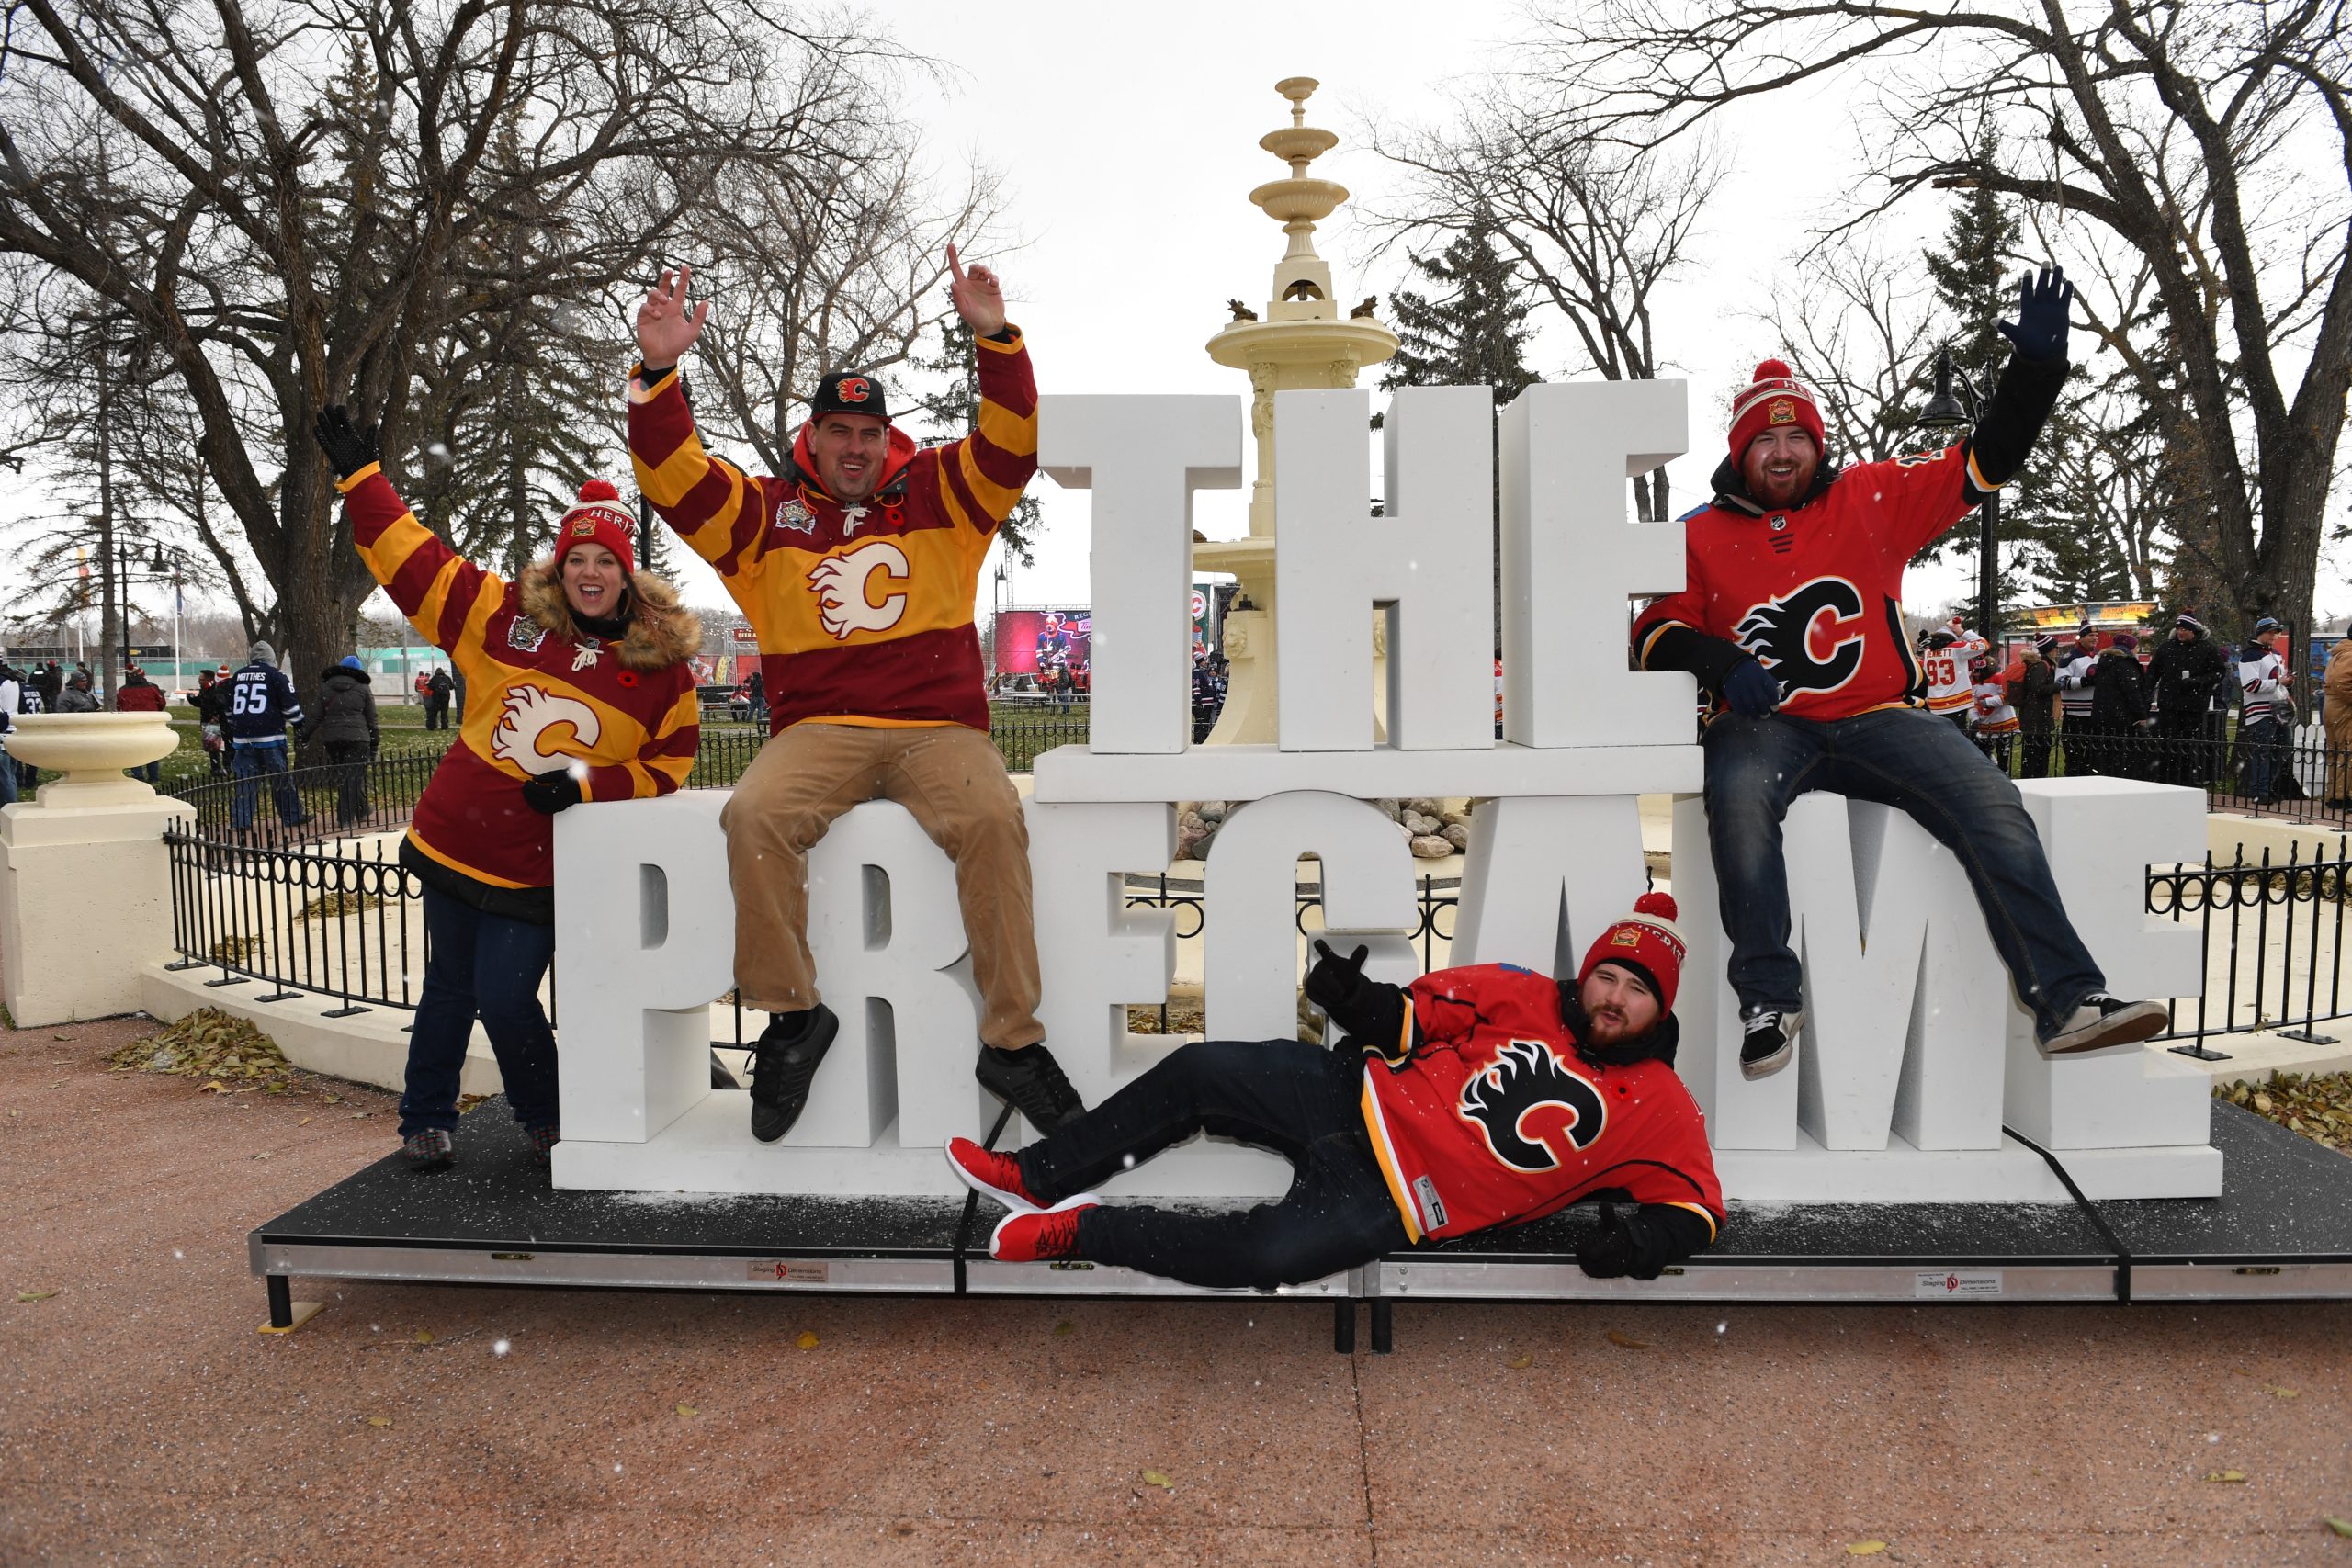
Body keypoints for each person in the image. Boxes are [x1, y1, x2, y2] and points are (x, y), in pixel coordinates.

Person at [1631, 267, 2167, 1078]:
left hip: (1880, 713)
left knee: (1993, 800)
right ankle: (1769, 996)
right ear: (1742, 452)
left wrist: (2034, 377)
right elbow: (1653, 634)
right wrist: (1720, 658)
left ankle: (2066, 998)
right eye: (1765, 440)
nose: (1783, 452)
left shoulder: (1872, 496)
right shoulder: (1699, 532)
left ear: (1818, 443)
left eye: (1798, 436)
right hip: (1763, 724)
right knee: (1737, 805)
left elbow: (1985, 462)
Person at [628, 249, 1085, 1143]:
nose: (854, 448)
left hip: (935, 728)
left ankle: (1012, 1040)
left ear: (888, 441)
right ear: (813, 439)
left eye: (869, 434)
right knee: (753, 813)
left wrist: (994, 339)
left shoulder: (941, 492)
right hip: (821, 728)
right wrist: (657, 371)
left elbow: (1013, 442)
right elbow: (672, 476)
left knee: (993, 817)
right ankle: (793, 1016)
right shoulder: (765, 515)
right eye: (838, 432)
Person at [949, 895, 1724, 1289]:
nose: (1613, 997)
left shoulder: (1661, 1104)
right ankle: (1036, 1175)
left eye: (1636, 989)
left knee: (1259, 1256)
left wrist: (1643, 1243)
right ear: (1587, 973)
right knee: (1199, 1070)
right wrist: (1353, 997)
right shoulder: (1523, 992)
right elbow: (1411, 1020)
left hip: (1395, 1200)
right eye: (1606, 976)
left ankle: (1078, 1231)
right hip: (1349, 1094)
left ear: (1663, 1008)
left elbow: (1698, 1208)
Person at [315, 407, 703, 1173]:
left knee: (505, 993)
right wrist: (363, 479)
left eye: (607, 561)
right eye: (577, 559)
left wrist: (588, 785)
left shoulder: (663, 669)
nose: (590, 573)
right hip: (457, 840)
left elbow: (672, 763)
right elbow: (415, 560)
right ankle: (424, 1117)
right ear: (560, 567)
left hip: (541, 866)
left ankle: (547, 1111)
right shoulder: (505, 617)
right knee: (449, 989)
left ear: (630, 574)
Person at [225, 642, 311, 833]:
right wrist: (300, 726)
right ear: (271, 658)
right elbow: (291, 709)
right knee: (280, 779)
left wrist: (238, 727)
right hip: (270, 736)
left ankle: (241, 821)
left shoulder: (238, 676)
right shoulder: (276, 676)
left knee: (245, 781)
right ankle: (292, 816)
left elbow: (229, 711)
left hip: (243, 739)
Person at [2146, 612, 2228, 787]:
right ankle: (2166, 777)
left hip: (2193, 705)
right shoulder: (2167, 648)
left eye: (2184, 629)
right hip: (2169, 704)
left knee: (2189, 743)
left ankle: (2187, 778)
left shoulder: (2207, 648)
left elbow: (2218, 672)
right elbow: (2153, 673)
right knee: (2169, 742)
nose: (2180, 633)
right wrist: (2147, 694)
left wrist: (2197, 682)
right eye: (2178, 629)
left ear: (2193, 630)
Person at [300, 655, 380, 827]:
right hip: (359, 739)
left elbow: (316, 717)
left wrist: (305, 735)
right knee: (352, 777)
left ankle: (363, 809)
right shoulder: (364, 689)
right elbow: (372, 719)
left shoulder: (326, 688)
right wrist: (375, 742)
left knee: (348, 776)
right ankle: (345, 817)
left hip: (333, 739)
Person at [2238, 617, 2290, 804]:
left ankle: (2267, 787)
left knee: (2283, 748)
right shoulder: (2250, 656)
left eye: (2277, 632)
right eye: (2271, 632)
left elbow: (2278, 680)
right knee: (2264, 752)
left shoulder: (2275, 654)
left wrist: (2285, 685)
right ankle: (2260, 792)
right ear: (2260, 633)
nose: (2275, 636)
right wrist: (2278, 682)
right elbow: (2250, 685)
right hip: (2260, 712)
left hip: (2278, 709)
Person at [2086, 631, 2153, 780]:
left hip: (2102, 716)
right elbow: (2132, 692)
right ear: (2129, 647)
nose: (2136, 651)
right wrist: (2141, 715)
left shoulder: (2104, 662)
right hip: (2122, 719)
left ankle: (2105, 781)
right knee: (2123, 758)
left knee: (2105, 756)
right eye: (2136, 647)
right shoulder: (2126, 664)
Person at [2007, 636, 2061, 780]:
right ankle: (2034, 779)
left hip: (2035, 717)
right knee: (2036, 753)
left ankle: (2035, 777)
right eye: (2056, 647)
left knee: (2037, 752)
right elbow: (2037, 688)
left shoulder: (2042, 665)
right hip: (2036, 718)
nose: (2057, 650)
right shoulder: (2042, 666)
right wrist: (2057, 686)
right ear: (2050, 649)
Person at [112, 664, 169, 783]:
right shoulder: (153, 688)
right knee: (152, 750)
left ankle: (138, 775)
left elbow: (118, 706)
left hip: (131, 724)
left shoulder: (123, 690)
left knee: (134, 750)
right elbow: (161, 703)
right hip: (151, 723)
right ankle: (153, 776)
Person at [2054, 627, 2099, 773]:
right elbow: (2060, 682)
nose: (2094, 638)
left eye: (2096, 635)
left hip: (2095, 715)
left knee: (2093, 758)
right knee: (2074, 757)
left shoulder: (2100, 656)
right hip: (2075, 716)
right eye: (2090, 635)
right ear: (2081, 638)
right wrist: (2084, 681)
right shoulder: (2070, 658)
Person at [1970, 658, 2018, 771]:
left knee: (2003, 757)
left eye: (1979, 672)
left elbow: (2008, 697)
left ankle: (2003, 774)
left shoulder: (1998, 677)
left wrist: (1987, 702)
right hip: (1985, 725)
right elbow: (1972, 703)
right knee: (1983, 754)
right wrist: (1974, 719)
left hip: (2004, 723)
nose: (1977, 675)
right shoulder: (1973, 682)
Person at [1921, 628, 1973, 732]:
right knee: (1958, 736)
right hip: (1956, 701)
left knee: (1939, 736)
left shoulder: (1927, 652)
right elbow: (1984, 644)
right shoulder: (1957, 648)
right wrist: (1964, 633)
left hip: (1934, 702)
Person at [2324, 635, 2352, 811]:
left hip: (2334, 706)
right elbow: (2340, 682)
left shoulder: (2341, 652)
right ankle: (2343, 796)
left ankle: (2334, 794)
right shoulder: (2350, 654)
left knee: (2336, 751)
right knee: (2348, 750)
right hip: (2344, 708)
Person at [195, 666, 232, 778]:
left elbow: (215, 703)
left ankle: (225, 768)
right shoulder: (210, 689)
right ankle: (219, 769)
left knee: (221, 746)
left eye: (201, 679)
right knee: (214, 747)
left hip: (216, 721)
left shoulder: (216, 690)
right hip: (214, 721)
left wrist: (214, 714)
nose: (199, 681)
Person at [425, 666, 455, 730]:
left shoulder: (434, 678)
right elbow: (451, 687)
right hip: (446, 698)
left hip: (437, 697)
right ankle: (444, 726)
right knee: (444, 712)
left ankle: (431, 726)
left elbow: (430, 687)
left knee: (434, 713)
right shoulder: (447, 678)